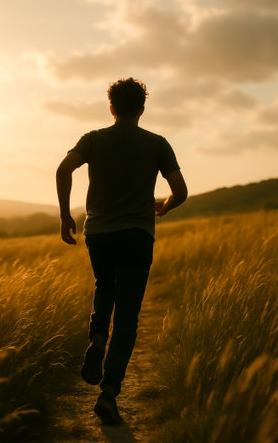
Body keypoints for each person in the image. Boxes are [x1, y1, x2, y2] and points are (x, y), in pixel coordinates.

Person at [56, 77, 187, 424]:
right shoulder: (157, 143)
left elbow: (63, 169)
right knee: (128, 315)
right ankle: (110, 391)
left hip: (98, 232)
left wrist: (64, 214)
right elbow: (182, 191)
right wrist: (165, 206)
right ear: (142, 109)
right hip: (137, 235)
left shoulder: (93, 139)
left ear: (111, 108)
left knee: (105, 286)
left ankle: (97, 338)